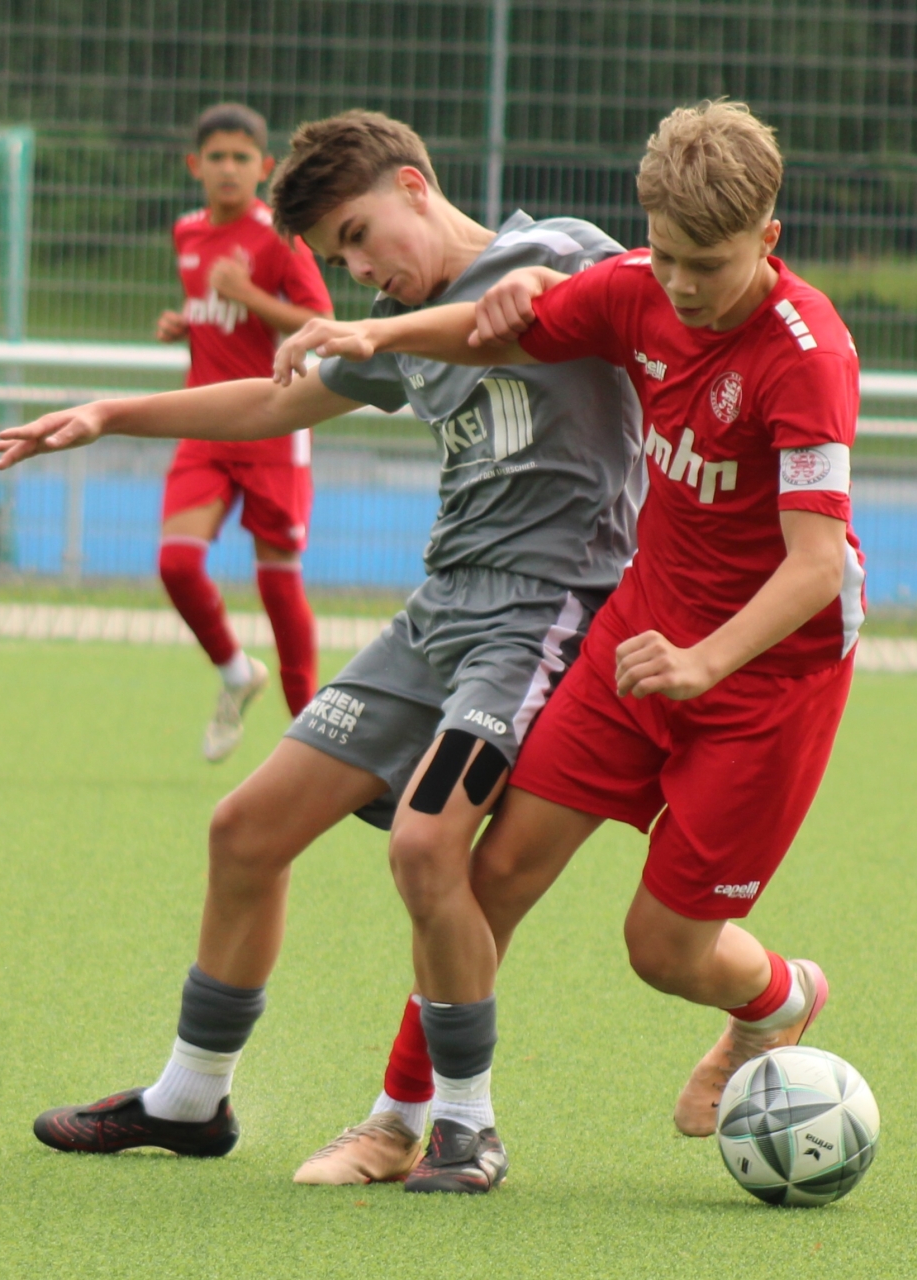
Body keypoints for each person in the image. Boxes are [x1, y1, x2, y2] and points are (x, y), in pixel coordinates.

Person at [0, 110, 644, 1194]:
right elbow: (270, 400)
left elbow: (655, 303)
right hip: (438, 613)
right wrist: (110, 413)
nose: (359, 271)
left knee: (425, 848)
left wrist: (539, 295)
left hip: (544, 616)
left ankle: (465, 1127)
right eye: (340, 258)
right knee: (245, 830)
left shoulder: (562, 252)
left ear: (414, 183)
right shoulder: (396, 326)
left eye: (357, 236)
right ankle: (191, 1099)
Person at [270, 98, 865, 1179]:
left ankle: (778, 998)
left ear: (769, 238)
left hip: (765, 683)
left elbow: (816, 565)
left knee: (662, 950)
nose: (682, 286)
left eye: (709, 264)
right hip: (636, 642)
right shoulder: (638, 288)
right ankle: (400, 1122)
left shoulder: (808, 354)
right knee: (486, 873)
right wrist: (375, 332)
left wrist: (703, 662)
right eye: (667, 254)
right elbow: (494, 330)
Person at [156, 104, 335, 759]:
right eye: (216, 157)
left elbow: (321, 321)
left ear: (264, 167)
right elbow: (220, 316)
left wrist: (248, 298)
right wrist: (189, 322)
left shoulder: (280, 238)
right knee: (177, 563)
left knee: (278, 584)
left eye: (240, 158)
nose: (227, 169)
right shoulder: (186, 232)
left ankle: (312, 739)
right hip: (205, 424)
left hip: (271, 424)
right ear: (194, 165)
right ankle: (236, 672)